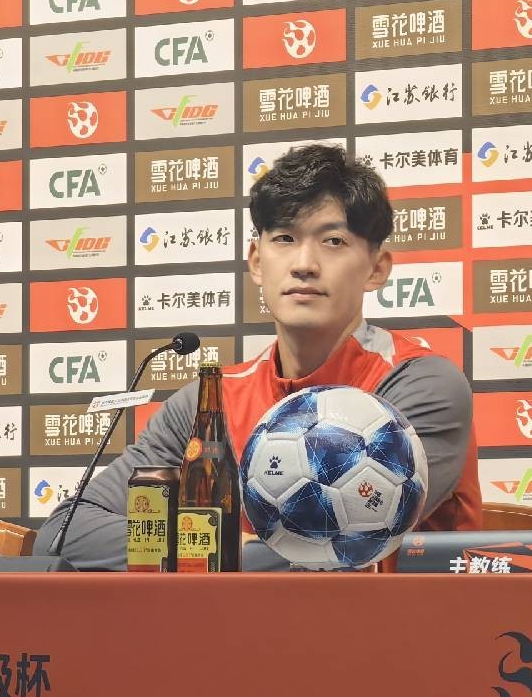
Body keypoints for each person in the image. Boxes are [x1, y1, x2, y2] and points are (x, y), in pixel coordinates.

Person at [36, 143, 481, 569]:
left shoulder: (419, 385)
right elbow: (66, 531)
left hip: (397, 622)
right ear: (255, 261)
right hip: (232, 622)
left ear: (377, 269)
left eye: (333, 241)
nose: (304, 263)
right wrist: (224, 548)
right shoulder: (209, 402)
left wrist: (210, 550)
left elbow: (341, 548)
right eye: (284, 238)